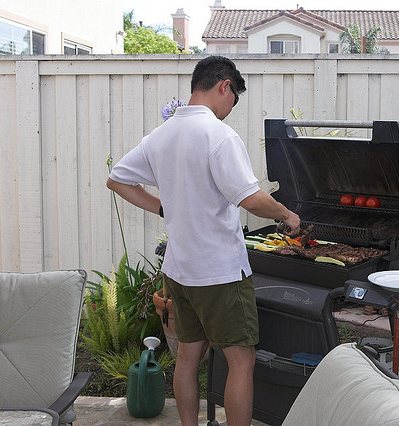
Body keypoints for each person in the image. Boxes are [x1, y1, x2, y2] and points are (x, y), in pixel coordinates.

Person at [106, 55, 300, 426]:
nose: (230, 109)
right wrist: (287, 215)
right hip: (220, 273)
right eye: (234, 99)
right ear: (224, 85)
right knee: (241, 361)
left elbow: (116, 179)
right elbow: (251, 199)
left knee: (187, 358)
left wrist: (162, 207)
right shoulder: (218, 135)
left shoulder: (161, 135)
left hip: (179, 271)